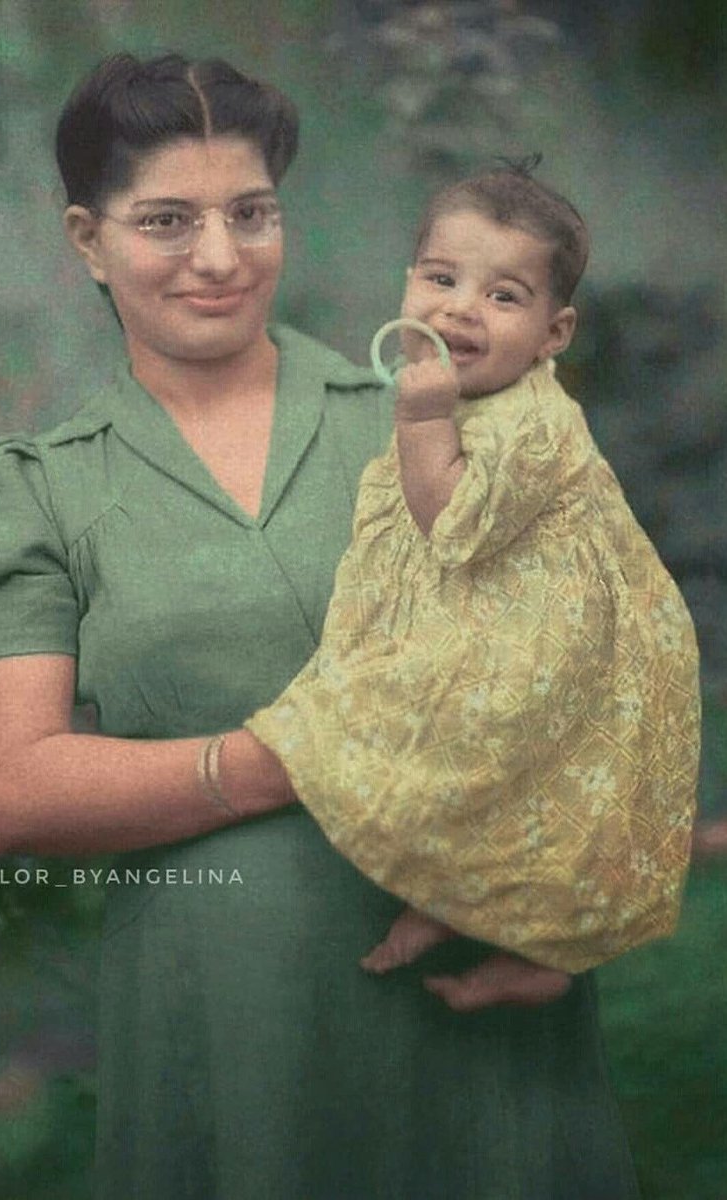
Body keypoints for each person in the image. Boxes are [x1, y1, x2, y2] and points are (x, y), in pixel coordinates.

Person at [0, 53, 645, 1199]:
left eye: (249, 214)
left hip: (476, 991)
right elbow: (17, 795)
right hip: (221, 1016)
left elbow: (597, 675)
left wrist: (562, 913)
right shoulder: (32, 489)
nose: (218, 257)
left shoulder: (439, 422)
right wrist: (294, 758)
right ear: (85, 239)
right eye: (166, 219)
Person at [247, 165, 701, 997]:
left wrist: (421, 420)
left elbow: (451, 522)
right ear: (407, 284)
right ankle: (455, 895)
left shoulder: (531, 421)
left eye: (503, 296)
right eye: (441, 279)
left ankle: (538, 962)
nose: (460, 308)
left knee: (482, 753)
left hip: (552, 646)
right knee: (463, 763)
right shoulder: (471, 392)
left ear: (553, 332)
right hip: (499, 607)